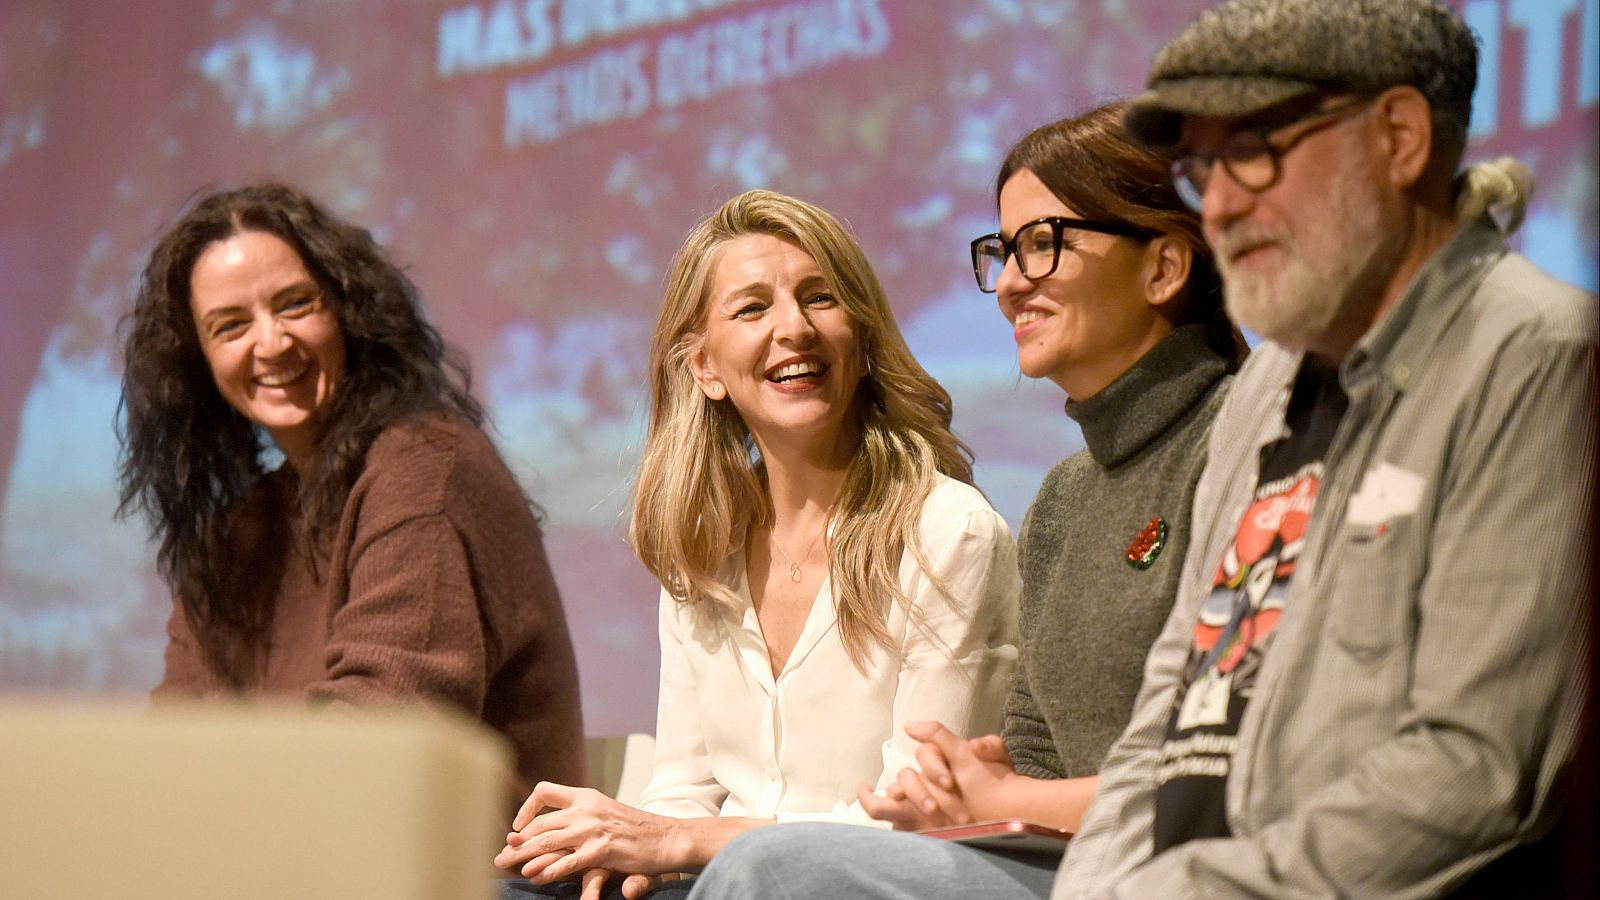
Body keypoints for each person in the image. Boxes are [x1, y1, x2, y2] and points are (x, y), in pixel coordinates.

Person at [688, 0, 1595, 898]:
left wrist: (1168, 889)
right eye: (1206, 168)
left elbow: (1472, 771)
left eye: (1253, 153)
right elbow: (1177, 722)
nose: (1222, 206)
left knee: (776, 872)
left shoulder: (1539, 357)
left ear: (1397, 138)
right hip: (1155, 876)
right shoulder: (1275, 398)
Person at [492, 189, 1021, 900]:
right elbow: (684, 790)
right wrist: (615, 842)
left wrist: (686, 840)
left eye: (820, 298)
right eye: (752, 309)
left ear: (862, 341)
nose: (794, 328)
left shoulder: (948, 533)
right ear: (705, 367)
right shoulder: (701, 551)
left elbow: (918, 816)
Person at [855, 103, 1243, 850]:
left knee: (776, 876)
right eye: (1003, 252)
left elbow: (1231, 764)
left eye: (1041, 245)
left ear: (1163, 265)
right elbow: (1034, 752)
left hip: (1201, 871)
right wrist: (981, 784)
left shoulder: (1246, 446)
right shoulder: (1063, 497)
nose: (1007, 285)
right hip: (1076, 864)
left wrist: (1008, 797)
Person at [118, 182, 585, 798]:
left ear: (347, 312)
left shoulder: (425, 467)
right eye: (230, 326)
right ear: (195, 363)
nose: (271, 343)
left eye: (293, 304)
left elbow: (381, 736)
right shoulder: (236, 533)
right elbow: (172, 744)